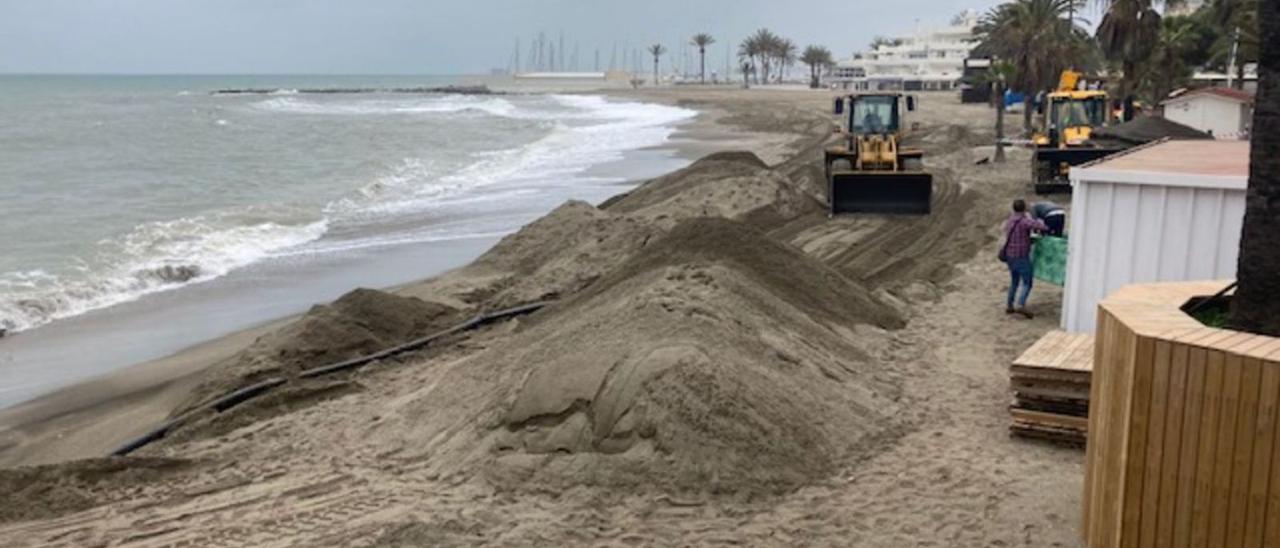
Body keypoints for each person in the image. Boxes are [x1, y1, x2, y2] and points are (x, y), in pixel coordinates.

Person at [1002, 199, 1048, 318]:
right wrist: (1037, 219)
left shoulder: (1010, 221)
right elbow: (1042, 226)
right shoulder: (1024, 222)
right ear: (1024, 208)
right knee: (1027, 282)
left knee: (1014, 281)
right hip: (1021, 256)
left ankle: (1009, 305)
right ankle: (1021, 304)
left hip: (1010, 256)